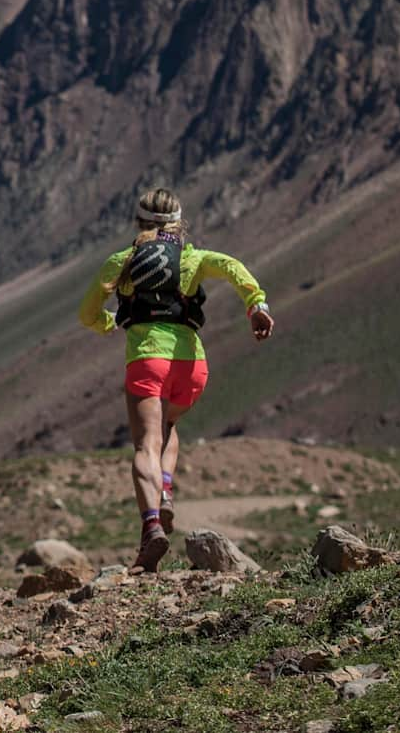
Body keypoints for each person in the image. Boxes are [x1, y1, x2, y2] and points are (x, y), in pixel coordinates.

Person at [77, 187, 274, 572]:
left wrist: (107, 323)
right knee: (169, 423)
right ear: (179, 223)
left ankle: (151, 526)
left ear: (139, 223)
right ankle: (165, 488)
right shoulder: (192, 257)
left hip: (147, 360)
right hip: (192, 365)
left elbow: (88, 312)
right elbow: (234, 267)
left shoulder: (122, 261)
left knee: (144, 446)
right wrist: (257, 305)